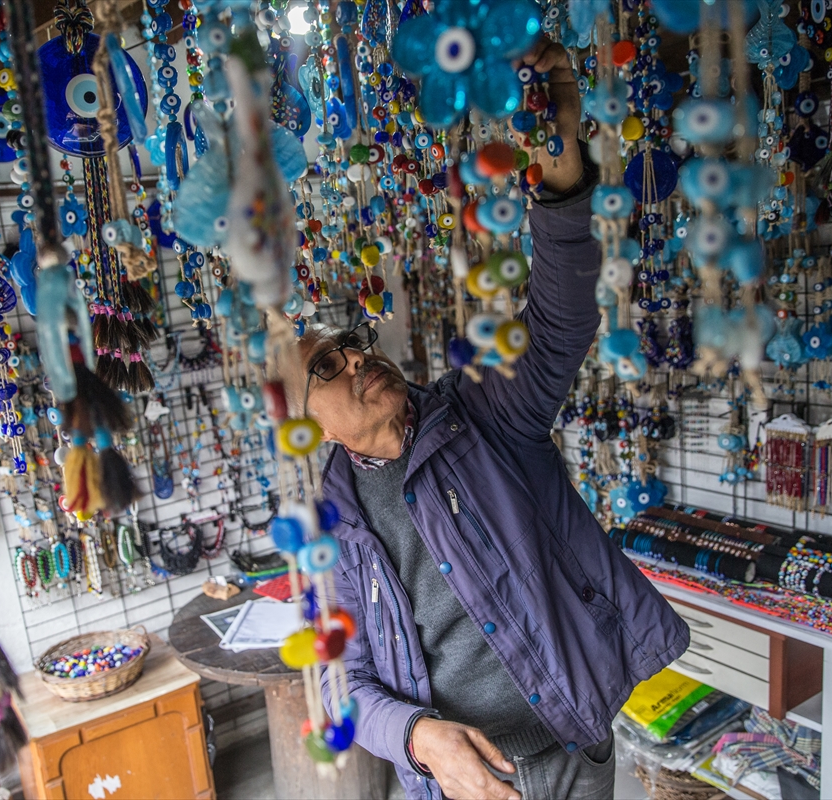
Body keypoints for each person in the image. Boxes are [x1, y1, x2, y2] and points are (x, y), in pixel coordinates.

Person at [292, 40, 690, 800]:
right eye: (326, 368)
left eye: (351, 345)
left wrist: (560, 174)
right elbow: (345, 682)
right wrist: (417, 737)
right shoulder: (326, 524)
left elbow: (562, 324)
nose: (355, 360)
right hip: (459, 784)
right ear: (306, 424)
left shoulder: (479, 415)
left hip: (569, 749)